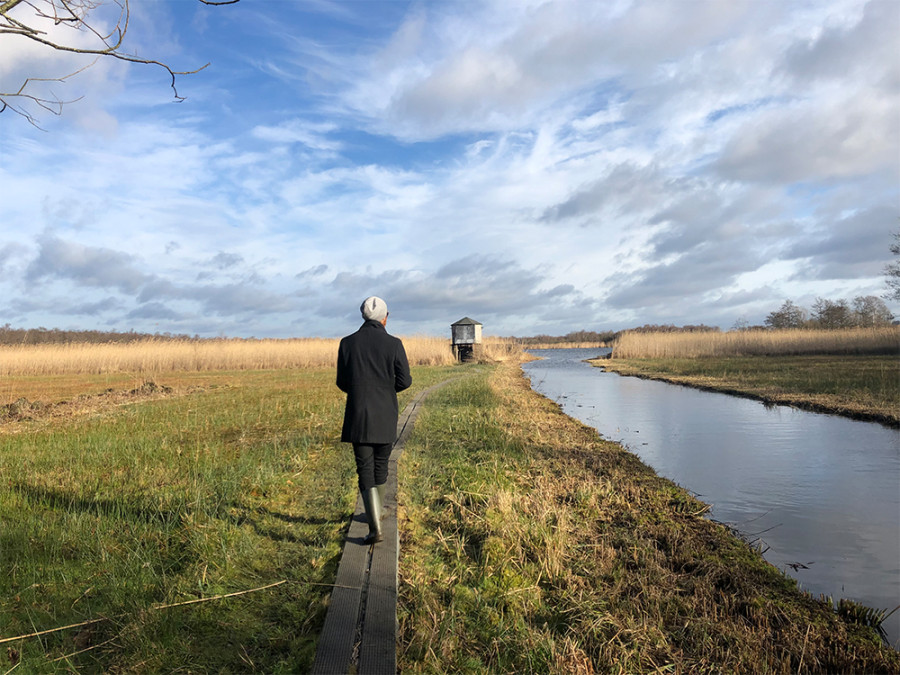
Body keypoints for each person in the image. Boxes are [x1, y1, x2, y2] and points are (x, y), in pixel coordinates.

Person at [336, 296, 412, 544]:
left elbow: (341, 382)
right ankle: (377, 514)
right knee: (381, 464)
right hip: (385, 412)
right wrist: (385, 390)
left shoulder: (347, 343)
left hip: (358, 413)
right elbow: (405, 381)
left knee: (364, 468)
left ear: (362, 317)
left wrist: (359, 391)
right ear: (385, 318)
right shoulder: (394, 344)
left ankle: (374, 524)